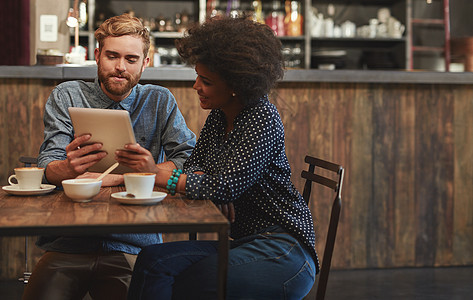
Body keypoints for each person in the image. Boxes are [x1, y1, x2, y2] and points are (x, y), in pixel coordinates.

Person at [124, 16, 317, 300]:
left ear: (235, 84)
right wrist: (213, 185)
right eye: (198, 76)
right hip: (245, 242)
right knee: (153, 261)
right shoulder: (219, 116)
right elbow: (195, 165)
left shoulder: (261, 117)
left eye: (207, 81)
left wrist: (160, 173)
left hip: (283, 250)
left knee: (190, 282)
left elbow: (224, 186)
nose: (196, 87)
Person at [22, 14, 196, 300]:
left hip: (135, 243)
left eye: (131, 59)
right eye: (112, 56)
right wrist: (67, 167)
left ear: (145, 62)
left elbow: (188, 158)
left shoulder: (159, 100)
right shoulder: (67, 95)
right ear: (97, 55)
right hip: (69, 242)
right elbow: (47, 167)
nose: (120, 67)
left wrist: (120, 176)